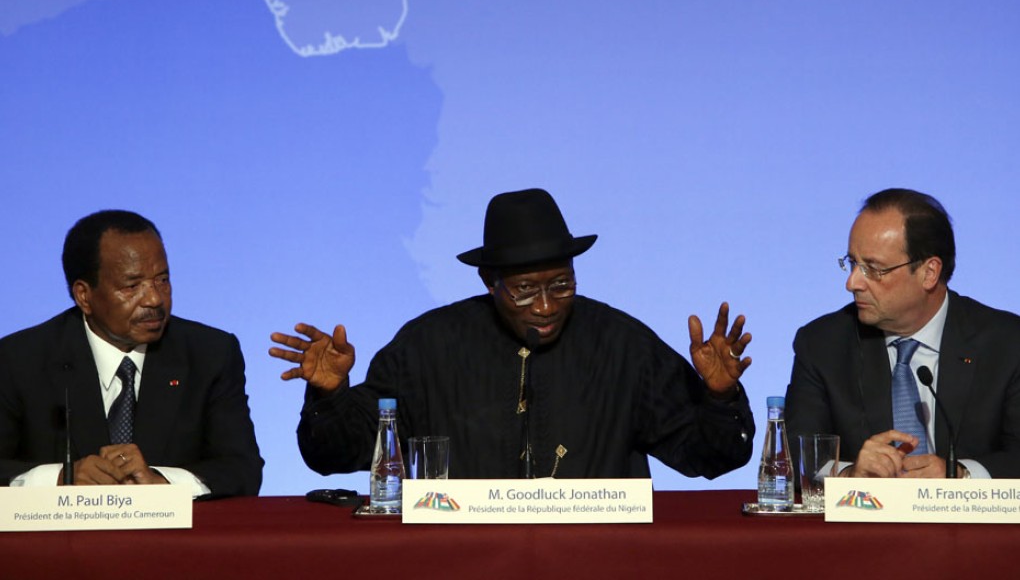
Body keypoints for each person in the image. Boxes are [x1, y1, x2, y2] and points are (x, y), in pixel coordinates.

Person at [271, 188, 755, 479]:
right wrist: (330, 397)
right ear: (489, 282)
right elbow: (338, 455)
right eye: (524, 290)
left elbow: (711, 458)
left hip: (596, 562)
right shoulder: (426, 346)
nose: (545, 306)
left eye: (561, 285)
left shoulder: (623, 344)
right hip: (460, 563)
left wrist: (720, 397)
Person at [0, 210, 263, 497]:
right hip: (62, 541)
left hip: (172, 540)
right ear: (84, 296)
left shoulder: (210, 354)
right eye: (132, 286)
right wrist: (60, 478)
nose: (154, 299)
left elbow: (243, 469)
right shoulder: (19, 360)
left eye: (162, 280)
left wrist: (162, 483)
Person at [786, 188, 1020, 479]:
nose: (852, 283)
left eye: (874, 269)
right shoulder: (822, 344)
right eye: (853, 263)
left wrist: (960, 476)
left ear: (929, 272)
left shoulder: (1007, 344)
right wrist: (849, 475)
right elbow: (796, 457)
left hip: (966, 524)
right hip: (865, 522)